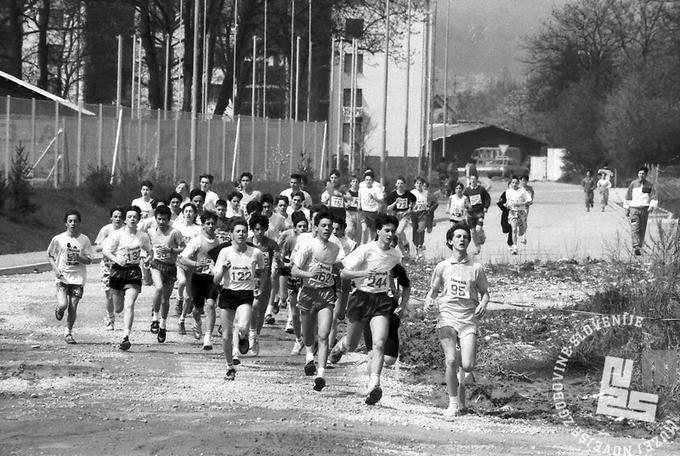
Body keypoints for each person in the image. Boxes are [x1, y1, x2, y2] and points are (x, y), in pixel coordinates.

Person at [329, 214, 403, 405]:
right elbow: (344, 273)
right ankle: (341, 346)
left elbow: (393, 275)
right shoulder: (366, 250)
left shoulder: (395, 255)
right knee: (353, 345)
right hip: (361, 298)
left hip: (382, 301)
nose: (389, 234)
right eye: (386, 230)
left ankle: (374, 385)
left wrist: (394, 290)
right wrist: (364, 273)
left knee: (379, 343)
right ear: (378, 231)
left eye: (392, 231)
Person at [424, 224, 489, 419]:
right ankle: (453, 404)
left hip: (468, 319)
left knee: (467, 366)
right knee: (451, 359)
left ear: (469, 241)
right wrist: (429, 300)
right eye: (458, 236)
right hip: (447, 316)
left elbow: (485, 293)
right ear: (450, 241)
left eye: (465, 237)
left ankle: (463, 373)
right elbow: (433, 291)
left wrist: (483, 304)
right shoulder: (442, 266)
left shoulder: (476, 267)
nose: (462, 239)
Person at [291, 211, 344, 391]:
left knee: (323, 334)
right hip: (307, 292)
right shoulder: (309, 246)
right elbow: (294, 271)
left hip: (326, 294)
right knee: (308, 335)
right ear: (316, 228)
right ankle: (308, 354)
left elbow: (339, 266)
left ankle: (321, 374)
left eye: (330, 226)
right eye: (324, 225)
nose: (327, 229)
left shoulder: (335, 248)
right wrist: (308, 274)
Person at [214, 217, 265, 379]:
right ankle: (230, 366)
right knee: (226, 336)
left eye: (244, 231)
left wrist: (260, 288)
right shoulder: (225, 252)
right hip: (228, 294)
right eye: (238, 231)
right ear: (231, 235)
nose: (241, 234)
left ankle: (243, 337)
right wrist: (222, 269)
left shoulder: (256, 253)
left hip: (245, 295)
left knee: (243, 327)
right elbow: (215, 280)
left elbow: (263, 272)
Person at [102, 205, 153, 351]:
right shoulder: (117, 234)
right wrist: (116, 260)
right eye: (129, 216)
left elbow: (150, 251)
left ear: (138, 219)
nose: (132, 219)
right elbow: (106, 250)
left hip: (133, 272)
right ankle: (114, 313)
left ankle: (126, 337)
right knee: (118, 308)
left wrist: (148, 259)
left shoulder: (142, 236)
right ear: (125, 219)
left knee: (129, 304)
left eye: (135, 217)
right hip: (118, 271)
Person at [47, 210, 94, 344]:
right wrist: (55, 269)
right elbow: (49, 254)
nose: (73, 223)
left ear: (79, 223)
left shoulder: (84, 239)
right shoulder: (58, 239)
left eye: (75, 221)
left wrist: (80, 257)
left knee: (73, 307)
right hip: (62, 277)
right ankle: (59, 309)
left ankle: (68, 332)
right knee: (63, 304)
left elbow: (89, 260)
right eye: (70, 221)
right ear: (66, 223)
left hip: (78, 278)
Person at [179, 211, 220, 350]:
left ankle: (208, 337)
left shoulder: (218, 241)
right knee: (198, 309)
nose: (210, 226)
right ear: (202, 225)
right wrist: (196, 264)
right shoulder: (196, 240)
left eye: (213, 223)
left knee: (211, 305)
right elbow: (183, 257)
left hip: (212, 278)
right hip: (197, 278)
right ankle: (197, 322)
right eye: (207, 223)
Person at [147, 205, 184, 343]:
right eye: (159, 219)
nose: (161, 222)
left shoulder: (175, 232)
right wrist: (147, 257)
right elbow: (147, 246)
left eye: (164, 219)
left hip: (170, 267)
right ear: (155, 218)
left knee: (165, 300)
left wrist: (171, 250)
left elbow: (183, 248)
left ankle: (163, 324)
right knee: (158, 288)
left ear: (169, 220)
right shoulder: (150, 232)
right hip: (156, 264)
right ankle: (155, 318)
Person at [247, 214, 280, 356]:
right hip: (249, 280)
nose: (259, 232)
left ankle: (255, 337)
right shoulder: (247, 243)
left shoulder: (271, 244)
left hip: (265, 281)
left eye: (262, 229)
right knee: (251, 308)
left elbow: (278, 260)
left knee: (260, 312)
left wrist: (278, 261)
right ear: (252, 229)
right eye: (257, 229)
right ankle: (249, 332)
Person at [277, 212, 309, 350]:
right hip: (292, 277)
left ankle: (309, 339)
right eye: (300, 226)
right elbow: (282, 259)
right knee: (295, 312)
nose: (302, 228)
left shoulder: (311, 241)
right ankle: (298, 339)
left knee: (305, 312)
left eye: (305, 226)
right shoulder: (290, 239)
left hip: (306, 279)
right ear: (295, 228)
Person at [94, 206, 124, 331]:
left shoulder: (126, 231)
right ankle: (110, 319)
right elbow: (97, 248)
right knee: (109, 294)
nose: (117, 219)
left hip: (122, 266)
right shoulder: (106, 230)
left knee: (120, 293)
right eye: (115, 216)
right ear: (111, 217)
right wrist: (109, 244)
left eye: (120, 217)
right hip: (107, 266)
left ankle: (121, 312)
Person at [175, 203, 202, 326]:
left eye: (191, 211)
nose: (188, 213)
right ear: (182, 213)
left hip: (192, 263)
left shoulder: (199, 229)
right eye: (186, 211)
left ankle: (184, 308)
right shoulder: (177, 227)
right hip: (178, 260)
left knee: (189, 295)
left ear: (195, 214)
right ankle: (179, 299)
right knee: (181, 282)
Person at [624, 166, 658, 256]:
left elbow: (654, 197)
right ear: (637, 174)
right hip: (633, 210)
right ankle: (636, 246)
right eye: (640, 173)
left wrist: (652, 206)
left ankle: (640, 246)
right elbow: (628, 196)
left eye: (643, 173)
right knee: (635, 228)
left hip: (644, 210)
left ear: (646, 175)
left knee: (642, 229)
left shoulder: (649, 185)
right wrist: (627, 208)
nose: (641, 175)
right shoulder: (633, 184)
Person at [385, 176, 416, 257]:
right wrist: (395, 202)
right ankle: (404, 254)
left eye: (402, 183)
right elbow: (388, 209)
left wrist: (410, 209)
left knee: (398, 232)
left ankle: (405, 243)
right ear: (396, 184)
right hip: (395, 215)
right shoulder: (392, 195)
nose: (400, 185)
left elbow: (414, 201)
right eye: (398, 183)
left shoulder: (408, 194)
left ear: (405, 185)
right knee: (398, 234)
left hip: (405, 215)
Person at [504, 176, 533, 255]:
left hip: (521, 212)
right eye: (513, 183)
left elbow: (530, 201)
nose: (514, 184)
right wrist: (507, 205)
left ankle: (522, 235)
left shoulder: (523, 191)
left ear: (518, 183)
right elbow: (508, 202)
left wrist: (522, 203)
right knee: (514, 230)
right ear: (511, 183)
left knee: (521, 231)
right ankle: (515, 247)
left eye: (516, 183)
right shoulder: (508, 192)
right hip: (513, 212)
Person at [463, 174, 491, 254]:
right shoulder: (467, 190)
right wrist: (465, 207)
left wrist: (486, 207)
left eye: (474, 179)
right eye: (472, 179)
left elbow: (487, 198)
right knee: (472, 231)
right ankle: (477, 247)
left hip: (480, 212)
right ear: (470, 180)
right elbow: (464, 200)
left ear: (477, 180)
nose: (473, 181)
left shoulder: (481, 189)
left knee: (478, 229)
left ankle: (482, 234)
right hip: (470, 213)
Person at [358, 170, 384, 244]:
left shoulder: (377, 189)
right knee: (364, 229)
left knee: (373, 234)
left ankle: (372, 247)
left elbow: (382, 201)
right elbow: (359, 198)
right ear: (364, 180)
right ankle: (363, 246)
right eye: (366, 180)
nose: (368, 181)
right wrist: (359, 205)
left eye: (370, 180)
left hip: (373, 213)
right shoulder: (361, 189)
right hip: (364, 212)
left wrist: (374, 198)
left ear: (373, 180)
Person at [410, 177, 429, 256]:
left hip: (423, 213)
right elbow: (409, 203)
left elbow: (431, 202)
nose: (419, 185)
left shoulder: (426, 193)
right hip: (414, 214)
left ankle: (420, 245)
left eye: (420, 183)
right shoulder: (412, 193)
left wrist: (429, 207)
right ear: (414, 184)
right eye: (417, 183)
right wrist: (411, 207)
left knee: (421, 229)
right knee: (415, 230)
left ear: (423, 184)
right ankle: (417, 246)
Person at [496, 181, 514, 251]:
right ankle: (510, 241)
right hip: (505, 214)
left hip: (514, 214)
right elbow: (500, 202)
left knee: (512, 229)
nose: (512, 186)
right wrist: (503, 205)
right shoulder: (505, 193)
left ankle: (511, 243)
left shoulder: (518, 194)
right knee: (505, 229)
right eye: (511, 185)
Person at [344, 175, 362, 244]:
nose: (355, 183)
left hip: (358, 213)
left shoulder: (360, 193)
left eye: (356, 182)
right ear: (351, 183)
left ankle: (357, 247)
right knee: (349, 230)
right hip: (349, 213)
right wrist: (346, 205)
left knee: (358, 233)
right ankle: (349, 245)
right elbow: (343, 202)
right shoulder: (347, 192)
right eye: (353, 181)